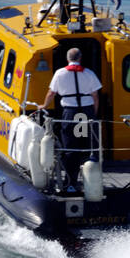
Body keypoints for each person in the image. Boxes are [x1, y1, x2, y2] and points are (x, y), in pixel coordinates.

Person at [44, 47, 101, 191]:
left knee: (71, 147)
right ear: (80, 58)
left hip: (70, 112)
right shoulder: (89, 73)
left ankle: (70, 181)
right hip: (87, 111)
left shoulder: (60, 73)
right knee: (91, 146)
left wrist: (44, 105)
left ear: (67, 58)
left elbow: (52, 93)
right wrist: (93, 113)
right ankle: (93, 179)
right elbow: (95, 95)